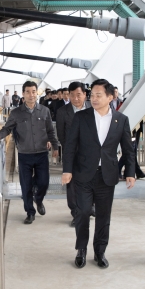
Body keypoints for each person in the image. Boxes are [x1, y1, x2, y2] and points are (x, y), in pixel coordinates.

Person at [62, 79, 136, 269]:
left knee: (104, 216)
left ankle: (100, 251)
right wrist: (67, 170)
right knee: (83, 212)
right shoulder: (82, 117)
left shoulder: (121, 119)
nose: (93, 98)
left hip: (107, 175)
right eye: (92, 95)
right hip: (83, 174)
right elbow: (70, 145)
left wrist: (130, 172)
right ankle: (81, 249)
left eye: (98, 95)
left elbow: (128, 149)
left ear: (110, 97)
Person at [0, 81, 59, 224]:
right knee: (26, 185)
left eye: (34, 91)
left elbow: (50, 131)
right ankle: (30, 212)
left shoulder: (44, 111)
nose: (31, 94)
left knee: (43, 182)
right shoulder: (16, 113)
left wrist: (55, 146)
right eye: (28, 92)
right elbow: (8, 128)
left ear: (37, 93)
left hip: (42, 153)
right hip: (24, 154)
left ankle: (39, 199)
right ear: (23, 94)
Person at [56, 82, 92, 227]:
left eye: (79, 94)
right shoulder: (62, 112)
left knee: (90, 182)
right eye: (72, 95)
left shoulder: (93, 108)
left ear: (85, 94)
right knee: (71, 184)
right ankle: (76, 212)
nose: (75, 98)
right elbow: (61, 135)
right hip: (72, 154)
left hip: (91, 154)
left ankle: (88, 207)